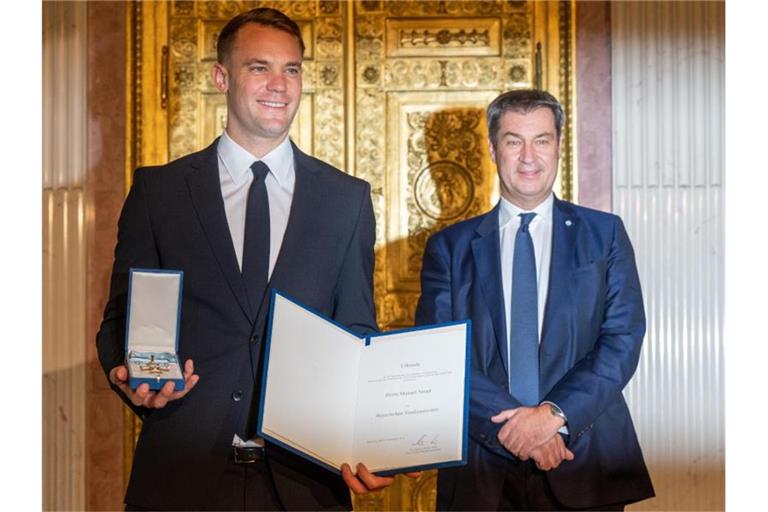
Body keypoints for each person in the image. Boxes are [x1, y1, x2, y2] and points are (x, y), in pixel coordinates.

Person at [97, 7, 400, 510]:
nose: (278, 84)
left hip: (306, 486)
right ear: (221, 77)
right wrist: (124, 376)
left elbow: (355, 332)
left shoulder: (347, 199)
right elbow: (119, 321)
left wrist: (373, 434)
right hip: (180, 479)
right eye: (259, 67)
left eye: (292, 69)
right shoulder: (160, 191)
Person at [415, 89, 655, 510]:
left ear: (558, 146)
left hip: (583, 457)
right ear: (493, 149)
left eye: (541, 140)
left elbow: (622, 339)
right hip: (481, 467)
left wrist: (553, 417)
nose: (529, 156)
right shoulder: (449, 249)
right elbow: (438, 354)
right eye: (513, 141)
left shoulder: (605, 234)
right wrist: (520, 431)